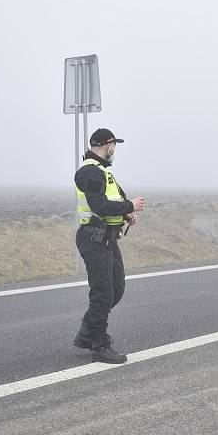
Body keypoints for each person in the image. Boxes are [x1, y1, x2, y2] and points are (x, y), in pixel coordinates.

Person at [72, 128, 145, 363]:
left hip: (107, 237)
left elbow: (113, 202)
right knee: (103, 293)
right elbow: (100, 206)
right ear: (108, 145)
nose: (114, 150)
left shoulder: (102, 171)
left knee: (116, 288)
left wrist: (126, 215)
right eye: (114, 145)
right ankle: (98, 344)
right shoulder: (90, 172)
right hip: (94, 237)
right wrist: (129, 207)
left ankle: (87, 332)